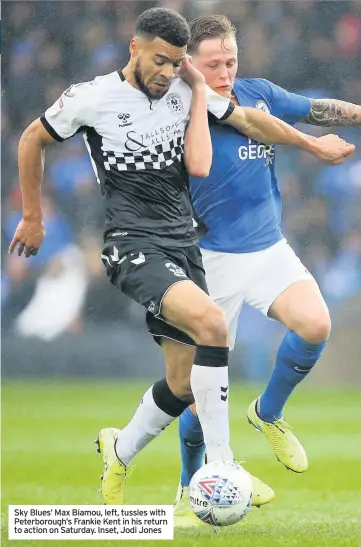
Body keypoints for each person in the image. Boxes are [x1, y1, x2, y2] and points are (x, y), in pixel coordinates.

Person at [9, 7, 354, 508]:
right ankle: (221, 468)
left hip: (182, 242)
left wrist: (309, 144)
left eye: (175, 64)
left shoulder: (186, 92)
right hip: (132, 242)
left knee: (183, 383)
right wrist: (34, 216)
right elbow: (32, 137)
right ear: (134, 48)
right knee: (213, 327)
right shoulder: (92, 97)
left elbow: (250, 122)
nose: (166, 72)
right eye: (161, 61)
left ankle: (120, 448)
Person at [170, 14, 360, 524]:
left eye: (231, 61)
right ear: (191, 65)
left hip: (268, 248)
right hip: (210, 264)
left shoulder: (260, 93)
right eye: (214, 64)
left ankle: (268, 412)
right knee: (194, 393)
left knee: (317, 324)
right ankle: (189, 491)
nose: (226, 72)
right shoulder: (182, 111)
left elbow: (316, 109)